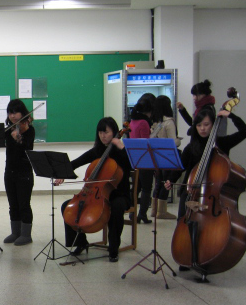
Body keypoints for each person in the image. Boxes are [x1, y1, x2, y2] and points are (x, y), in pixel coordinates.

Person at [55, 117, 132, 262]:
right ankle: (81, 242)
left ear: (114, 132)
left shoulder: (121, 151)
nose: (103, 136)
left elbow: (133, 164)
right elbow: (76, 163)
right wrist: (62, 174)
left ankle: (114, 248)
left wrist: (121, 146)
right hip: (95, 195)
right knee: (67, 206)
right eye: (100, 132)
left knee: (116, 207)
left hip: (119, 194)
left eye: (106, 132)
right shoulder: (97, 151)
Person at [163, 106, 246, 220]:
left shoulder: (222, 144)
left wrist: (231, 115)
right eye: (199, 125)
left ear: (213, 125)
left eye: (206, 124)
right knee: (183, 222)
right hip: (191, 192)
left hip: (214, 194)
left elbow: (245, 132)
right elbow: (180, 167)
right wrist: (171, 180)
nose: (202, 128)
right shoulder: (191, 147)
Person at [2, 99, 35, 245]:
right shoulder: (8, 131)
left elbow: (27, 148)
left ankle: (26, 235)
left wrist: (19, 139)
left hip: (24, 173)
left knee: (24, 204)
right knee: (13, 204)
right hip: (9, 171)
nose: (13, 116)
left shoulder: (29, 130)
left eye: (16, 112)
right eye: (10, 113)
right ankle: (15, 232)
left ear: (23, 113)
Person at [149, 95, 179, 219]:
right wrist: (179, 141)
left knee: (158, 182)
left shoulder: (156, 123)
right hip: (167, 155)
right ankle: (161, 212)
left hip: (156, 155)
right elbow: (173, 142)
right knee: (166, 182)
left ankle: (154, 210)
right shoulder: (169, 122)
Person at [128, 98, 153, 223]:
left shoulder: (132, 122)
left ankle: (132, 213)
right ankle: (142, 214)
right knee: (146, 188)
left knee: (136, 187)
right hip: (145, 159)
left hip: (135, 158)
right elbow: (146, 142)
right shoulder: (144, 122)